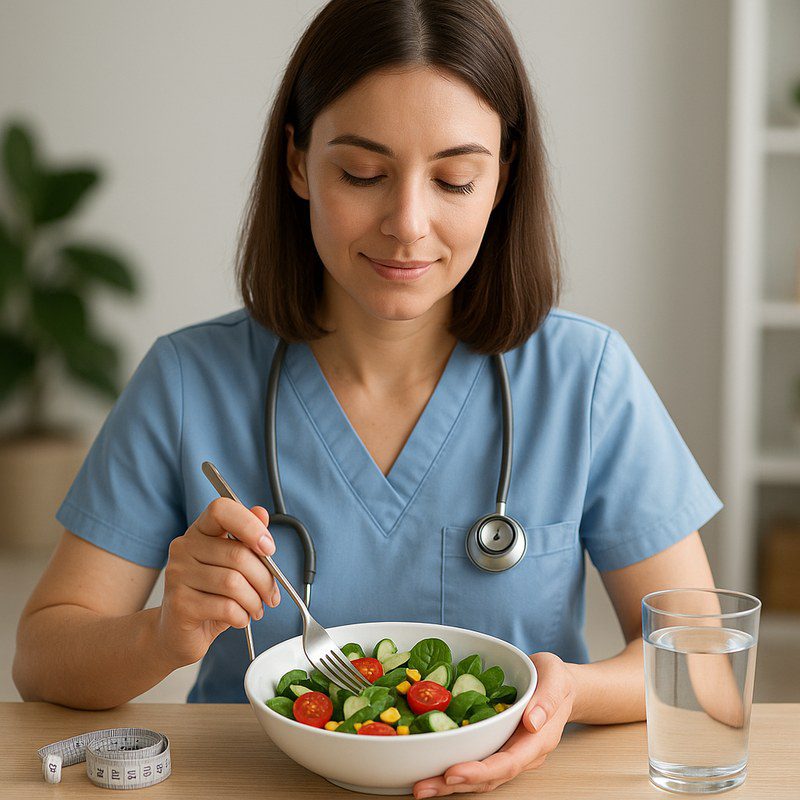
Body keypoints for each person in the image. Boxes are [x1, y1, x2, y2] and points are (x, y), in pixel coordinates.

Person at [13, 1, 722, 797]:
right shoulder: (188, 379)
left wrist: (564, 691)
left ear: (503, 177)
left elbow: (702, 666)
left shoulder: (586, 376)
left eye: (455, 178)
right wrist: (163, 634)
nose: (408, 225)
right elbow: (42, 659)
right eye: (362, 174)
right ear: (297, 162)